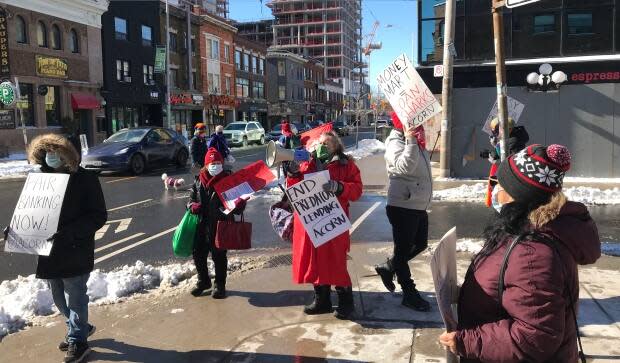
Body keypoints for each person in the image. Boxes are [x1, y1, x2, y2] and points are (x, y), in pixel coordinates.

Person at [439, 144, 601, 362]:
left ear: (519, 195)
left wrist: (467, 341)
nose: (496, 190)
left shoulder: (532, 253)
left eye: (500, 184)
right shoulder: (520, 231)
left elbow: (535, 336)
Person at [24, 134, 107, 363]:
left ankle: (78, 341)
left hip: (75, 247)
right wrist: (17, 229)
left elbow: (98, 216)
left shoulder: (85, 179)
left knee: (75, 297)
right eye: (47, 153)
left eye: (56, 152)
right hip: (50, 251)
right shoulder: (41, 180)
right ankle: (79, 327)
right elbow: (31, 212)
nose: (51, 157)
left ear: (67, 154)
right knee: (58, 297)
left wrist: (71, 232)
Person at [286, 131, 363, 320]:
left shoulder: (346, 164)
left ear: (336, 146)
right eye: (320, 143)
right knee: (315, 261)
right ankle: (322, 300)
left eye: (327, 143)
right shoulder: (307, 163)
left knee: (335, 262)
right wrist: (293, 173)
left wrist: (340, 187)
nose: (322, 146)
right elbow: (293, 189)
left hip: (333, 222)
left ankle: (346, 303)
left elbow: (357, 190)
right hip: (311, 221)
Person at [374, 112, 432, 312]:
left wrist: (414, 141)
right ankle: (409, 293)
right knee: (402, 250)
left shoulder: (415, 140)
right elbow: (404, 167)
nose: (420, 125)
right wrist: (410, 140)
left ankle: (389, 267)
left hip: (417, 204)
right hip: (403, 206)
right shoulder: (395, 142)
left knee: (420, 244)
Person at [187, 147, 246, 299]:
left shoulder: (228, 180)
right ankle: (203, 281)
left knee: (219, 256)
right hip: (201, 225)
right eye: (212, 163)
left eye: (218, 162)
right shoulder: (198, 181)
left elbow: (238, 207)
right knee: (198, 254)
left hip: (221, 224)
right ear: (206, 165)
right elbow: (190, 200)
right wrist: (192, 206)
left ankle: (220, 285)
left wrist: (239, 205)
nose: (215, 165)